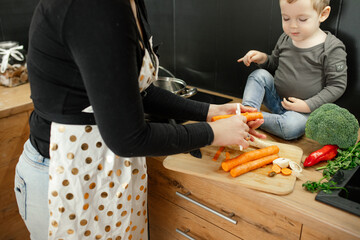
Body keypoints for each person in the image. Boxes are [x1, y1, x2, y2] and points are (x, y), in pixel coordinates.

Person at [14, 0, 265, 239]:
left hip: (104, 174)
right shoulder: (96, 7)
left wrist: (210, 111)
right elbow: (128, 138)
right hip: (66, 180)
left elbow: (136, 92)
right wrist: (213, 133)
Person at [237, 0, 347, 140]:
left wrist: (308, 105)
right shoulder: (285, 38)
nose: (293, 26)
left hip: (304, 112)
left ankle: (248, 118)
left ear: (323, 14)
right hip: (277, 100)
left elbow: (337, 86)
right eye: (286, 18)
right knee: (258, 75)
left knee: (291, 128)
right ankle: (248, 111)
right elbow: (274, 64)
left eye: (302, 19)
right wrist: (263, 59)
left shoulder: (332, 48)